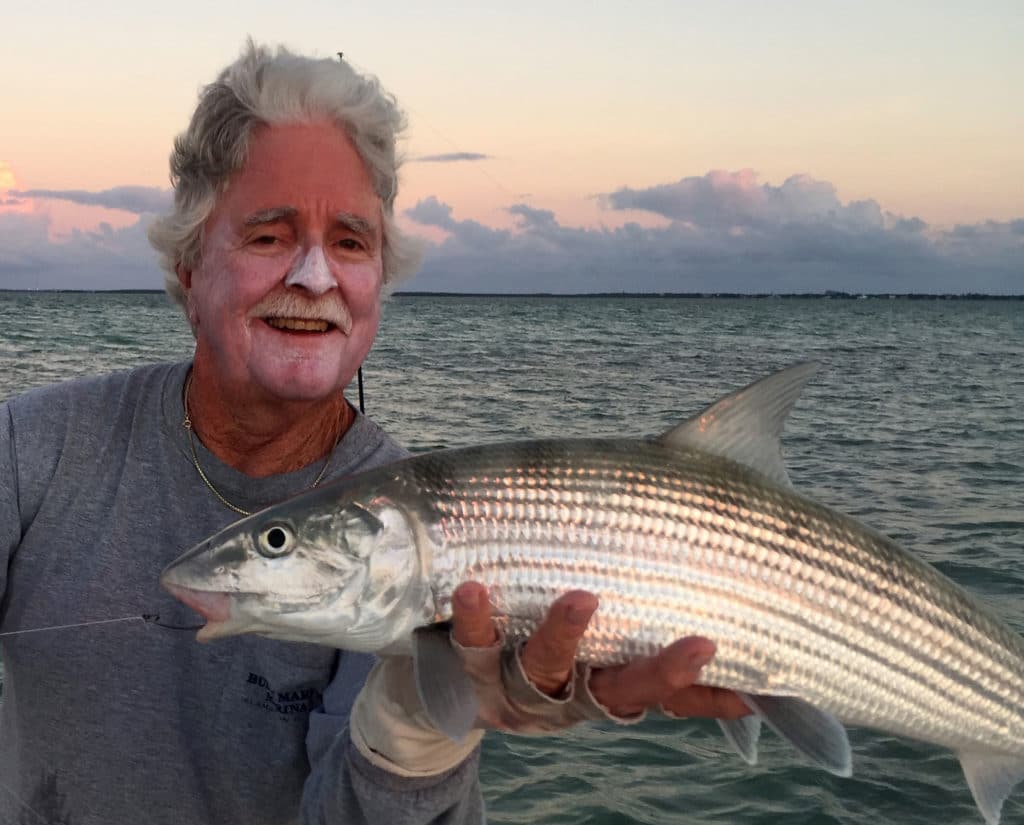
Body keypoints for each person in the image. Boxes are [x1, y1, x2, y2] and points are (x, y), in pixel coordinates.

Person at [0, 41, 746, 824]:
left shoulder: (420, 541)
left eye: (351, 242)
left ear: (378, 281)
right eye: (268, 235)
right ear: (189, 266)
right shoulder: (33, 447)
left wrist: (417, 732)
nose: (315, 277)